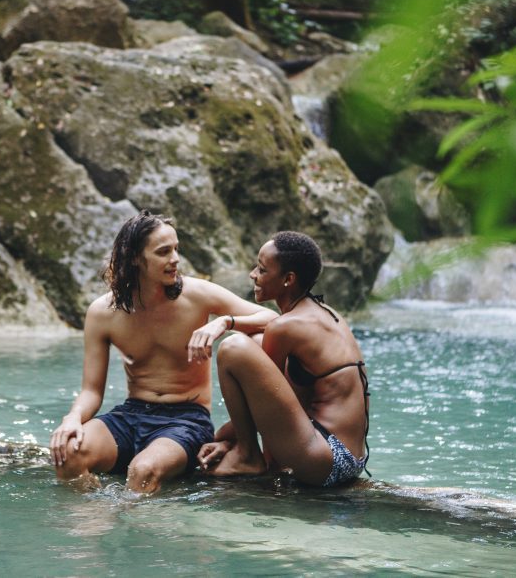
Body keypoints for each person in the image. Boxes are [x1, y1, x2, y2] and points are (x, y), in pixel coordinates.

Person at [50, 210, 277, 494]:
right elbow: (91, 391)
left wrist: (224, 322)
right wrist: (72, 418)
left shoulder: (198, 295)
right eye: (163, 252)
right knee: (67, 455)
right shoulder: (102, 312)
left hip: (186, 418)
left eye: (176, 249)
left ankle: (134, 528)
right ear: (134, 257)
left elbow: (273, 321)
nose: (175, 259)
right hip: (131, 414)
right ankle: (93, 524)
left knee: (142, 471)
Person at [197, 231, 370, 487]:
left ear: (288, 279)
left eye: (262, 269)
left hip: (329, 459)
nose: (252, 274)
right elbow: (283, 397)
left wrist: (219, 437)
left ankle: (247, 456)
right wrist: (228, 320)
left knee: (234, 347)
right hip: (351, 460)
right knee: (255, 343)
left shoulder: (284, 328)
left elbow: (262, 408)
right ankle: (258, 458)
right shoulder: (323, 312)